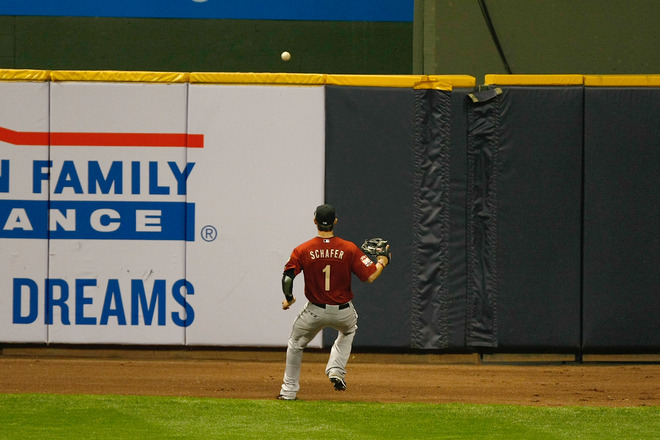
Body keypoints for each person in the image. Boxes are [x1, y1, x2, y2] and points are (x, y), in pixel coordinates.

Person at [277, 204, 390, 400]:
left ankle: (288, 391)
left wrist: (288, 299)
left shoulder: (302, 249)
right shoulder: (349, 248)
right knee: (348, 330)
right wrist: (382, 261)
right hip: (343, 311)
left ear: (315, 221)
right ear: (335, 222)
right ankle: (336, 369)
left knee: (295, 344)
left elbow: (287, 277)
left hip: (314, 311)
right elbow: (370, 276)